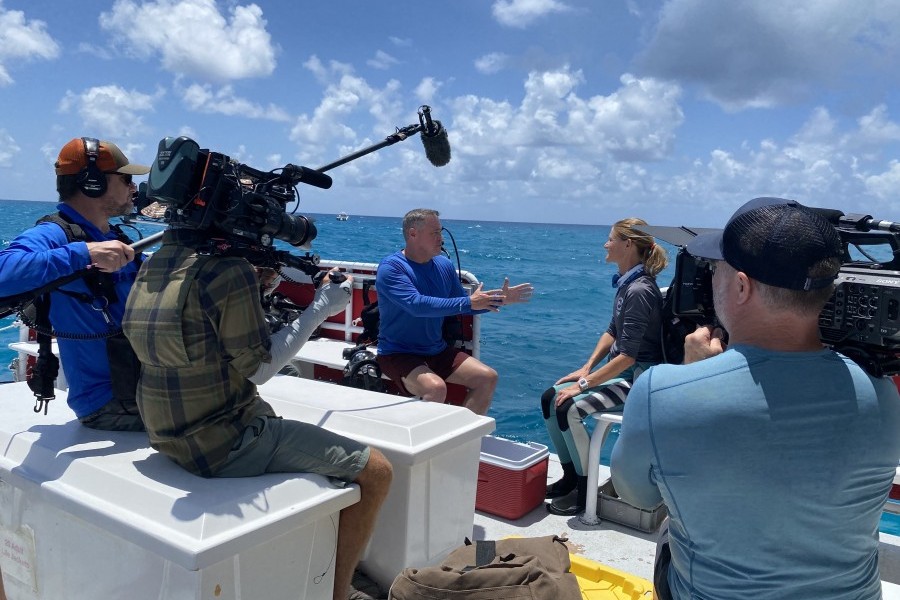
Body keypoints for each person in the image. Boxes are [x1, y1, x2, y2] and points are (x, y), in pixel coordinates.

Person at [610, 197, 900, 599]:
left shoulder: (660, 391)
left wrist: (692, 374)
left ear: (742, 286)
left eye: (716, 269)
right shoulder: (883, 392)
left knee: (668, 531)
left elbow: (635, 494)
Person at [121, 227, 393, 600]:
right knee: (377, 470)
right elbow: (261, 369)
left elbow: (200, 337)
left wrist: (257, 293)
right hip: (222, 443)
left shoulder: (155, 264)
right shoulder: (228, 270)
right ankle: (338, 592)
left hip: (165, 433)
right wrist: (322, 308)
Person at [0, 137, 150, 431]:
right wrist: (85, 253)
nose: (133, 188)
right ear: (92, 182)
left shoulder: (115, 236)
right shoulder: (55, 234)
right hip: (109, 403)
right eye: (126, 179)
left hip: (143, 389)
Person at [541, 217, 668, 516]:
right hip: (622, 372)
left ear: (627, 244)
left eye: (611, 239)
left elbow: (627, 356)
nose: (605, 244)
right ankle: (571, 477)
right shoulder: (628, 283)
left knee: (569, 407)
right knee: (551, 398)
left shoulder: (639, 290)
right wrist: (586, 369)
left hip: (637, 381)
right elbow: (612, 330)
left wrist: (582, 386)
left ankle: (586, 492)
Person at [375, 208, 533, 415]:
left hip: (436, 350)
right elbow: (416, 305)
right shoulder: (392, 268)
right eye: (435, 233)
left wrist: (499, 300)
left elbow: (464, 305)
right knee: (435, 388)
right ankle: (428, 446)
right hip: (398, 353)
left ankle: (462, 437)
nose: (441, 239)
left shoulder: (443, 265)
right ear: (413, 234)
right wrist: (468, 302)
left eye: (441, 232)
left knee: (487, 377)